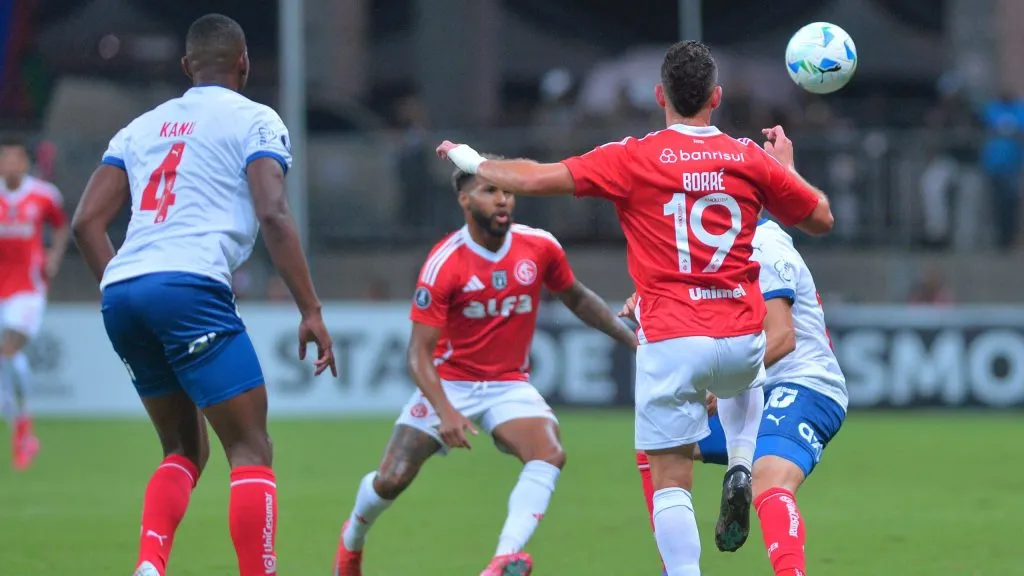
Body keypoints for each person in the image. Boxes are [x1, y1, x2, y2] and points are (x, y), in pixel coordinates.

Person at [435, 40, 833, 575]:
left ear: (658, 95)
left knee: (668, 477)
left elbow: (534, 177)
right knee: (747, 380)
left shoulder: (633, 156)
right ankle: (741, 462)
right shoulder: (748, 157)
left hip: (671, 338)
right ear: (716, 96)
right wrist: (785, 173)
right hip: (740, 336)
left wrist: (472, 160)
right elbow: (821, 219)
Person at [70, 14, 337, 576]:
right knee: (251, 449)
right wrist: (310, 308)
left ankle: (149, 564)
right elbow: (273, 211)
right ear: (242, 63)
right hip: (190, 286)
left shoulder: (140, 128)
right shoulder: (256, 119)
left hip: (124, 292)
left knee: (184, 450)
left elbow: (86, 223)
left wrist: (126, 289)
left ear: (187, 68)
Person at [333, 157, 638, 576]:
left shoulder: (540, 246)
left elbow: (578, 298)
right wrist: (446, 412)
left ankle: (503, 559)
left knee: (549, 453)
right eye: (490, 191)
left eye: (507, 191)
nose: (503, 201)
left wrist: (632, 339)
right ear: (464, 199)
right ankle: (352, 542)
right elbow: (418, 354)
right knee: (392, 479)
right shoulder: (446, 263)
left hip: (508, 383)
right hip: (450, 382)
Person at [628, 215, 847, 576]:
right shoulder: (716, 246)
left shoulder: (764, 244)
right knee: (660, 446)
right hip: (748, 390)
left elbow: (781, 338)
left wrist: (717, 385)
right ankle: (678, 567)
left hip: (805, 383)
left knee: (769, 478)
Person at [0, 137, 69, 469]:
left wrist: (54, 257)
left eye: (15, 159)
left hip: (28, 289)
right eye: (4, 160)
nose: (9, 165)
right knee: (6, 362)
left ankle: (23, 425)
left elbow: (61, 226)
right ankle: (22, 426)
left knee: (9, 349)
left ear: (25, 164)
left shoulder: (44, 194)